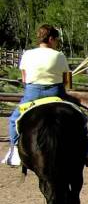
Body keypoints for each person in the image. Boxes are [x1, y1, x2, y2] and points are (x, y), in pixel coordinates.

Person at [3, 24, 70, 166]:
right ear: (51, 38)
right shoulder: (59, 55)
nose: (57, 43)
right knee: (80, 116)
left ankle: (15, 149)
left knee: (14, 120)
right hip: (56, 93)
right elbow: (66, 81)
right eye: (56, 40)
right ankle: (87, 143)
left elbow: (24, 79)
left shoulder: (27, 54)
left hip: (32, 94)